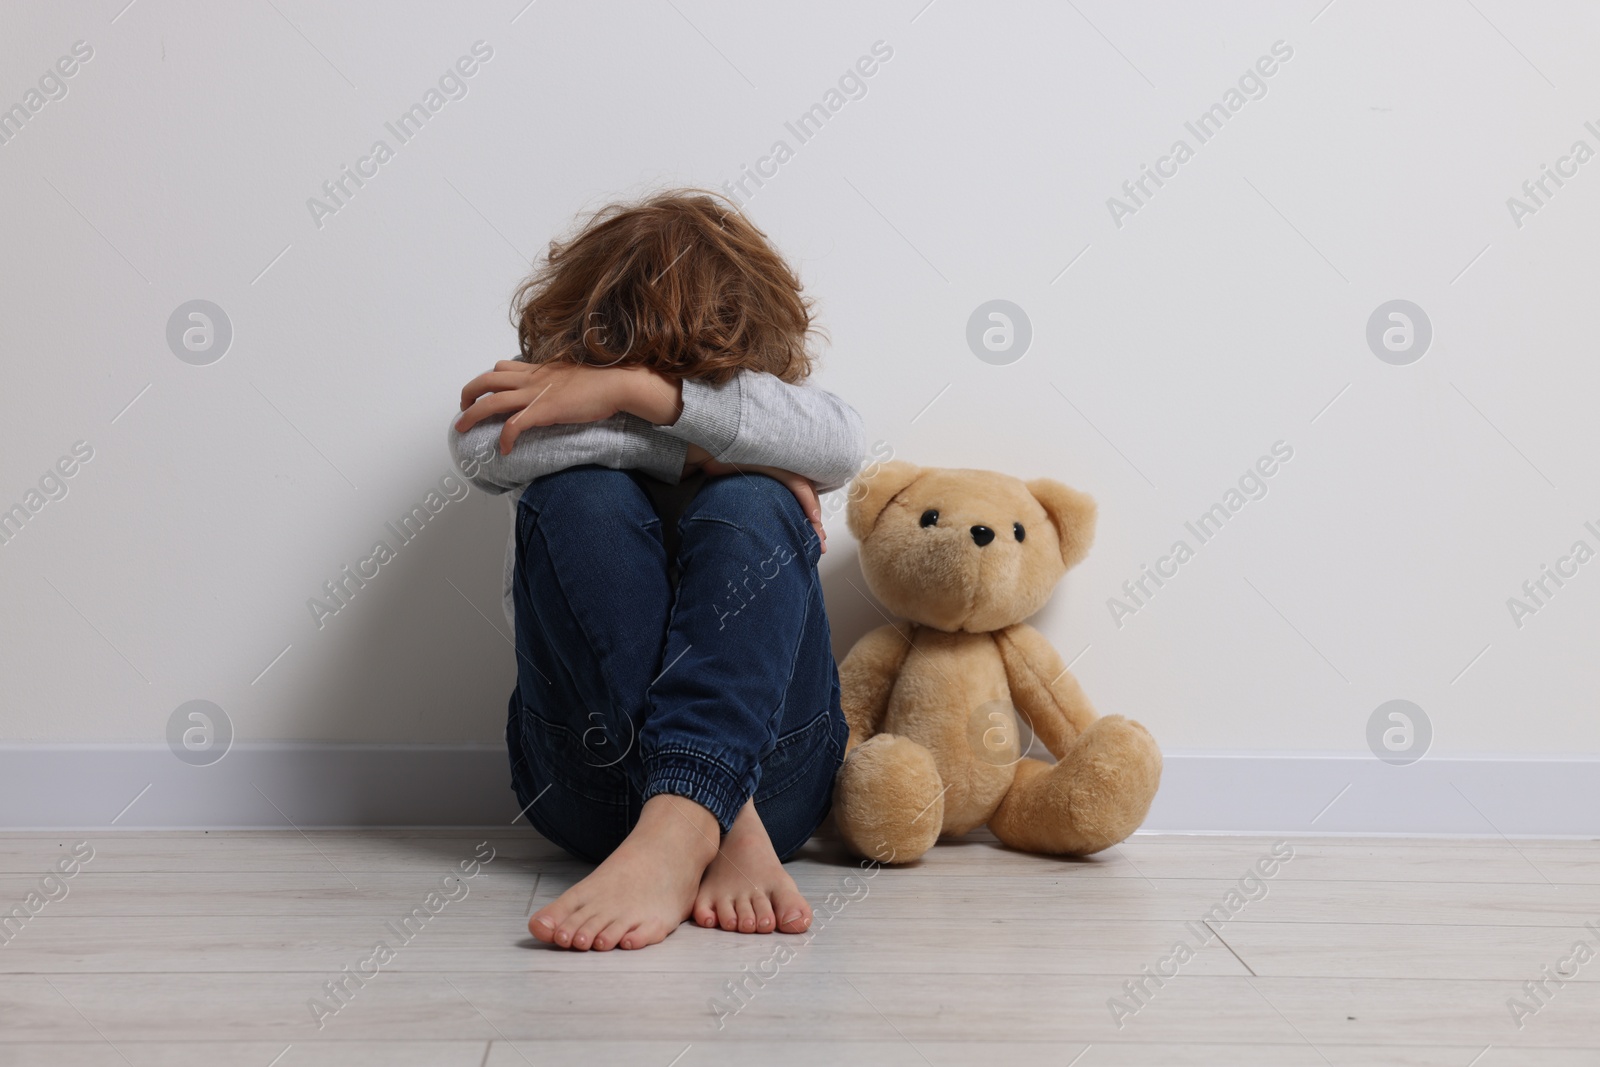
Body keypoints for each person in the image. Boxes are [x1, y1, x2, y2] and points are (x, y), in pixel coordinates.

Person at [449, 191, 864, 951]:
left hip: (781, 777)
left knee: (757, 500)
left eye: (683, 383)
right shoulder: (558, 400)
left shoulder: (767, 410)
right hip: (592, 776)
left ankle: (682, 824)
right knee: (579, 496)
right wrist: (689, 450)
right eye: (625, 369)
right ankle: (711, 819)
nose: (651, 385)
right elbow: (479, 445)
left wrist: (635, 395)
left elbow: (842, 445)